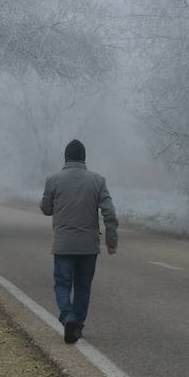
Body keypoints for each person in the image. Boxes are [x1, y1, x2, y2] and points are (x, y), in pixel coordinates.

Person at [39, 138, 118, 344]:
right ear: (84, 158)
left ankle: (68, 317)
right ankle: (77, 327)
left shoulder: (53, 180)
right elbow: (109, 212)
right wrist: (111, 240)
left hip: (63, 244)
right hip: (88, 246)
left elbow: (46, 209)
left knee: (62, 284)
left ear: (66, 158)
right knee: (83, 286)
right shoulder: (98, 181)